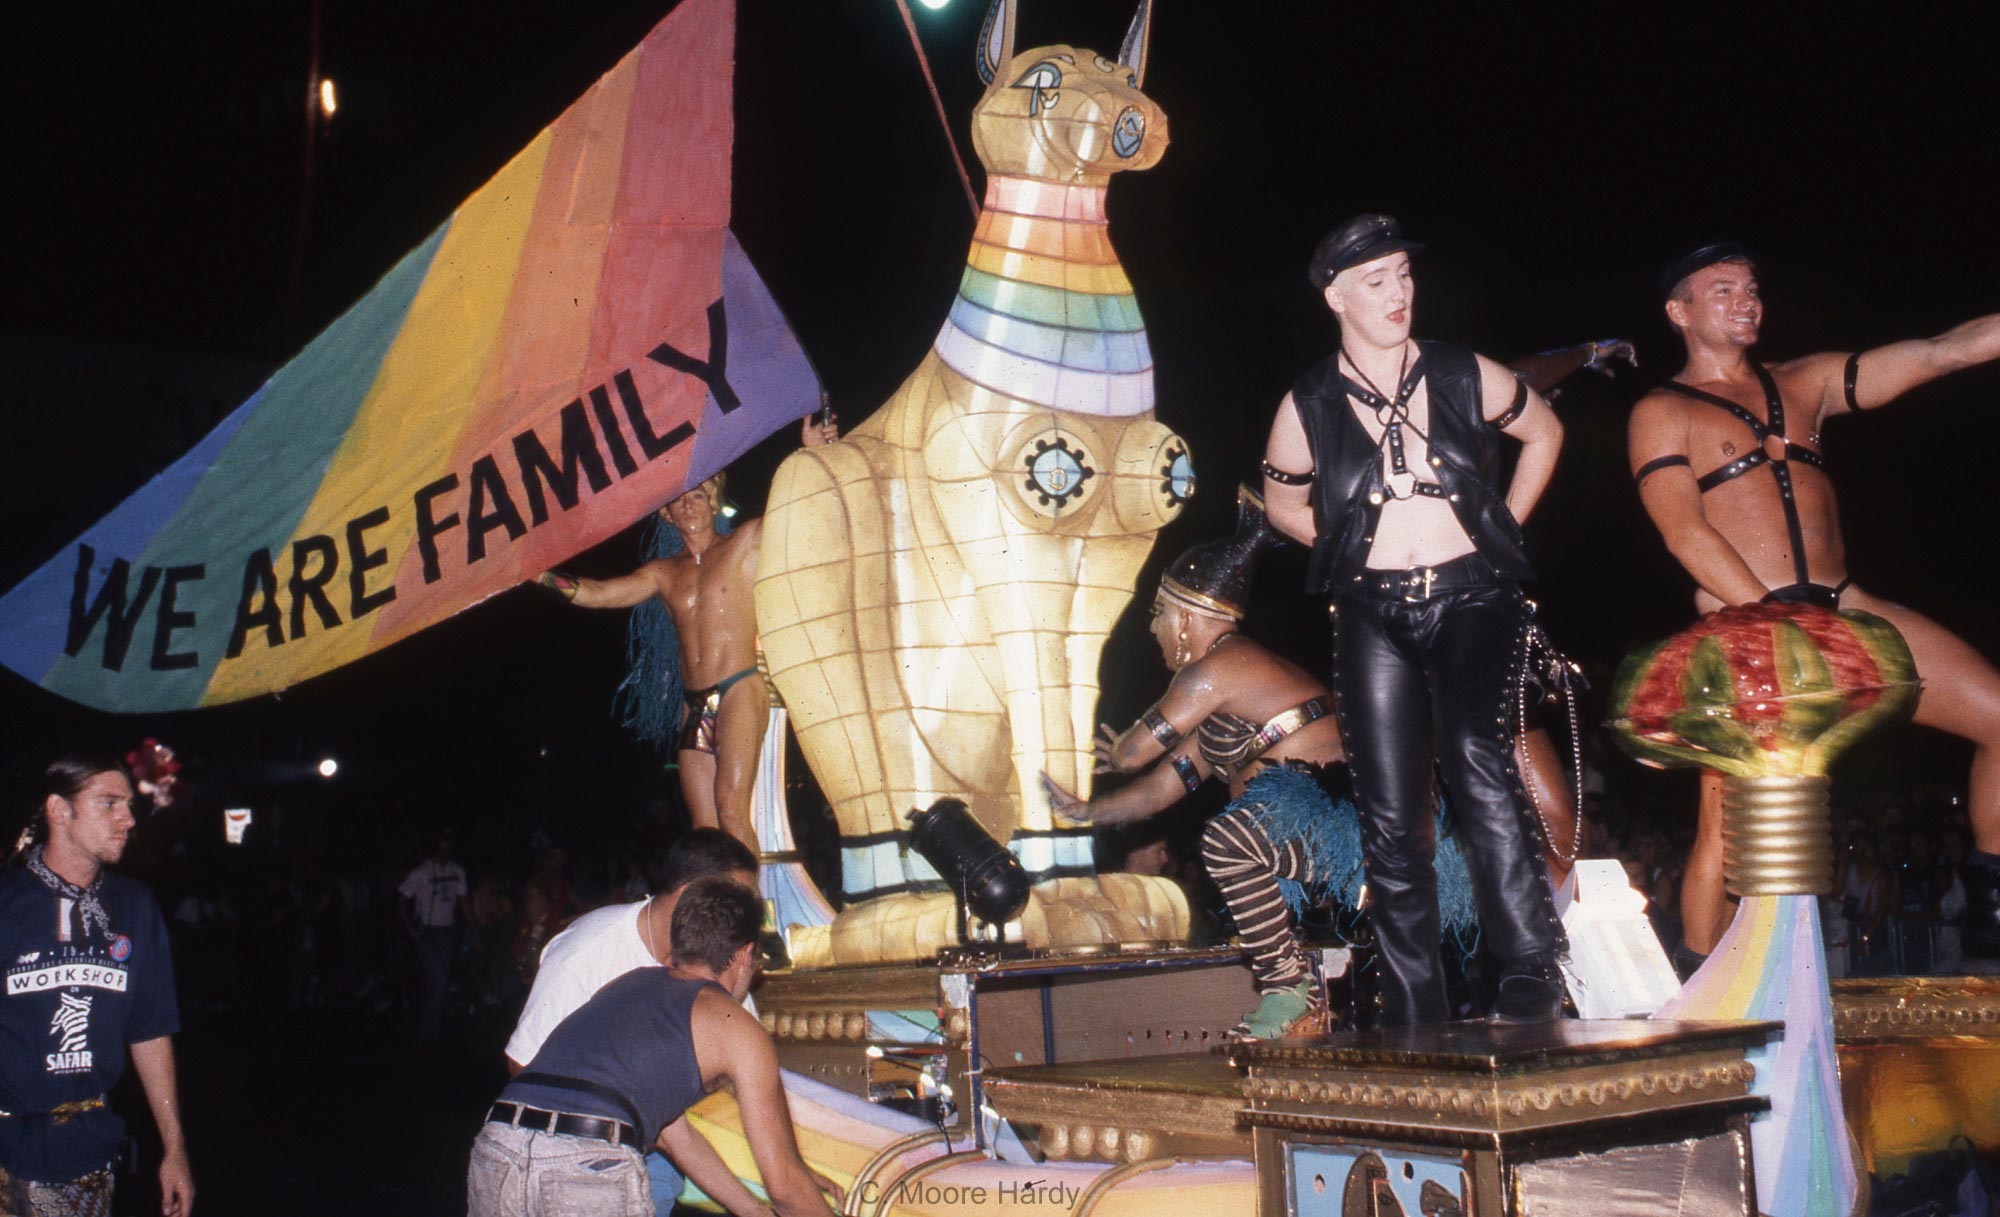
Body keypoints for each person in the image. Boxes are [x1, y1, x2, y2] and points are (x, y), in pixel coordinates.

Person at [1628, 241, 2000, 962]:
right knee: (1725, 827)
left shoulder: (1808, 382)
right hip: (1746, 625)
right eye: (1723, 288)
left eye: (1753, 288)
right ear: (1679, 312)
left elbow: (1938, 352)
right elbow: (1684, 532)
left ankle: (1990, 922)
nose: (1747, 300)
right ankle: (1708, 979)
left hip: (1848, 609)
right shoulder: (1660, 410)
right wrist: (1781, 623)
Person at [1259, 213, 1569, 1026]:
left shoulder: (1463, 370)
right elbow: (1281, 499)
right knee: (1391, 809)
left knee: (1474, 745)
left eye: (1403, 274)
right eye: (1376, 281)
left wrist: (1502, 531)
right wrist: (1343, 546)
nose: (1398, 293)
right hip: (1373, 609)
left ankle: (1532, 962)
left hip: (1474, 595)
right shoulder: (1309, 402)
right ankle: (1413, 1001)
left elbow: (1546, 430)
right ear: (1336, 297)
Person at [538, 417, 838, 851]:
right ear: (666, 512)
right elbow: (598, 593)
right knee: (704, 827)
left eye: (698, 495)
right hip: (694, 704)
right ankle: (724, 909)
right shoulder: (663, 573)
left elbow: (801, 504)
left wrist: (812, 453)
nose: (689, 505)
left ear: (714, 500)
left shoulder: (745, 543)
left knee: (732, 810)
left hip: (738, 688)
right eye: (679, 501)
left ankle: (749, 917)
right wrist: (538, 576)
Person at [469, 877, 837, 1217]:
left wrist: (754, 1212)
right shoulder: (735, 1025)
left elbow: (676, 1139)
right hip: (585, 1166)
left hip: (499, 1147)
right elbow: (785, 1185)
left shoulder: (627, 984)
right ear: (744, 955)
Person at [503, 830, 757, 1217]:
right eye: (738, 897)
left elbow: (747, 1079)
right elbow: (523, 1064)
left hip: (671, 1151)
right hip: (574, 1157)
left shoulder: (725, 960)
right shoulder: (588, 949)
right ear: (694, 892)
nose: (749, 914)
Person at [1, 757, 192, 1217]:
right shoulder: (6, 904)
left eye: (128, 805)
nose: (128, 818)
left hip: (84, 1151)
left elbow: (149, 1030)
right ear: (59, 810)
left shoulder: (135, 906)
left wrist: (174, 1147)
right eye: (110, 804)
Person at [398, 830, 469, 1045]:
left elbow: (463, 901)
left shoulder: (457, 870)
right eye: (442, 844)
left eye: (448, 843)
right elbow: (401, 901)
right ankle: (427, 1036)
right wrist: (412, 930)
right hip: (427, 931)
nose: (445, 848)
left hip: (447, 931)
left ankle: (430, 1031)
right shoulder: (422, 872)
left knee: (438, 982)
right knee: (438, 980)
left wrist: (473, 928)